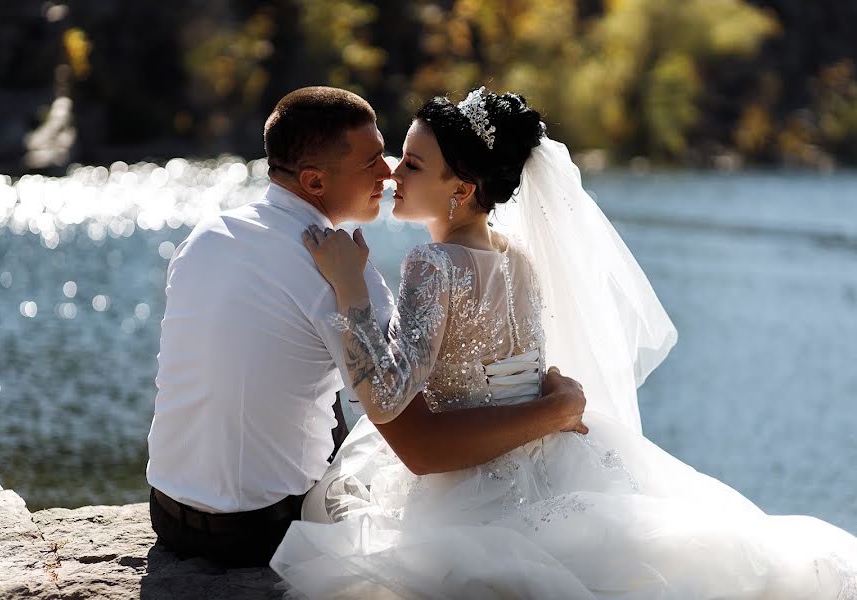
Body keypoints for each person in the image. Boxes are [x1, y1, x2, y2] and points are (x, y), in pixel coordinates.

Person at [270, 88, 857, 597]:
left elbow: (392, 392)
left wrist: (350, 289)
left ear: (463, 188)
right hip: (546, 464)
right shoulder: (519, 258)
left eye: (416, 166)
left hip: (473, 484)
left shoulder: (433, 263)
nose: (395, 173)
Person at [145, 86, 590, 567]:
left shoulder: (202, 236)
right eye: (373, 160)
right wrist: (559, 408)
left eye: (399, 159)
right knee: (343, 395)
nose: (389, 171)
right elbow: (407, 428)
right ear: (315, 182)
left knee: (315, 380)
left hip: (166, 509)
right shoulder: (344, 271)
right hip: (261, 530)